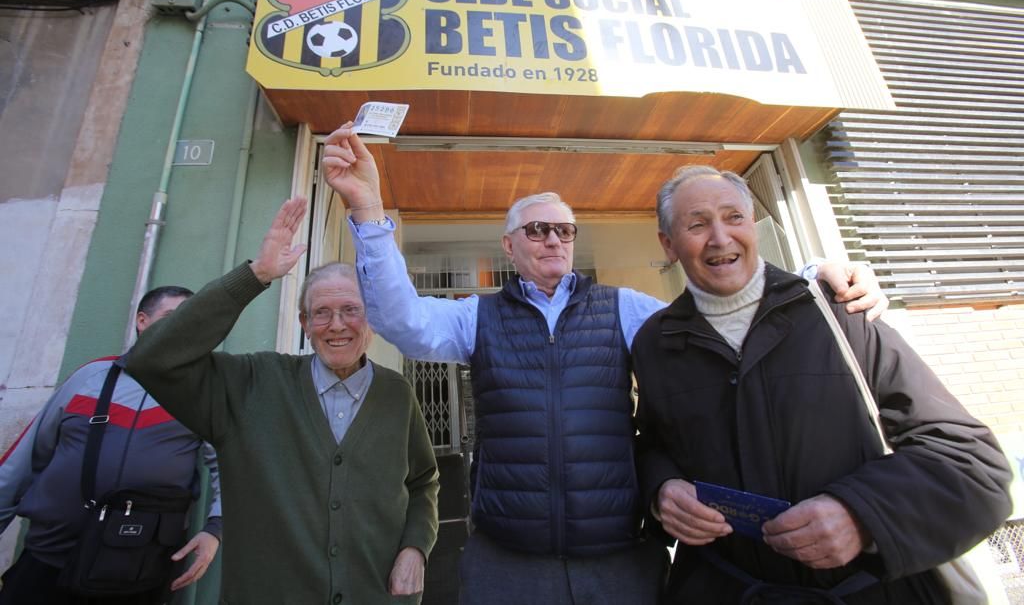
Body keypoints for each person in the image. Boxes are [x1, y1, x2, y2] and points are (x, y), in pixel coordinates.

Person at [319, 122, 890, 605]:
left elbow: (719, 319)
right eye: (537, 230)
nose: (553, 240)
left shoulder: (624, 309)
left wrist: (812, 279)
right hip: (507, 562)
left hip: (619, 562)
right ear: (510, 245)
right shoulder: (478, 317)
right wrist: (369, 208)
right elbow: (402, 321)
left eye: (564, 230)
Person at [633, 165, 1013, 603]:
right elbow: (653, 445)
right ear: (669, 244)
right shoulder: (655, 344)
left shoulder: (840, 313)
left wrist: (862, 515)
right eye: (697, 225)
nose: (720, 238)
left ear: (752, 225)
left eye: (734, 218)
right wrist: (662, 489)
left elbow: (971, 462)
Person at [124, 198, 439, 605]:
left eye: (351, 310)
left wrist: (416, 547)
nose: (337, 325)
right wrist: (254, 276)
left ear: (372, 322)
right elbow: (150, 358)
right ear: (305, 325)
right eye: (321, 313)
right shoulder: (250, 383)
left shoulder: (397, 393)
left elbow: (422, 482)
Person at [0, 286, 222, 605]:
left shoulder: (202, 393)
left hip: (137, 568)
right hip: (49, 559)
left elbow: (228, 471)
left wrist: (214, 530)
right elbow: (24, 460)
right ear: (142, 321)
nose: (181, 327)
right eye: (171, 317)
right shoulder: (90, 377)